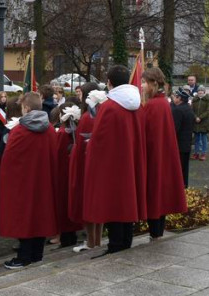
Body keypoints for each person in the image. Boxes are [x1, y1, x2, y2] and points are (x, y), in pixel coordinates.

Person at [82, 66, 146, 255]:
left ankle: (115, 245)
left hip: (112, 165)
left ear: (109, 82)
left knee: (114, 203)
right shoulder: (137, 104)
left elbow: (100, 139)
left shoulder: (109, 106)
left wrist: (89, 144)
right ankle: (126, 241)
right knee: (126, 201)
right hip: (130, 161)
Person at [0, 92, 57, 269]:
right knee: (41, 216)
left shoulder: (19, 131)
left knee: (23, 217)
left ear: (26, 108)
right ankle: (37, 255)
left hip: (23, 183)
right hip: (44, 181)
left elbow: (8, 160)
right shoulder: (48, 129)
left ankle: (23, 257)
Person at [139, 69, 187, 239]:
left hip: (154, 157)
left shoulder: (152, 105)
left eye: (144, 82)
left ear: (154, 84)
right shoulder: (163, 103)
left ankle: (155, 233)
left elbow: (144, 133)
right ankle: (157, 233)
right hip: (162, 155)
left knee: (154, 194)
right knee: (160, 195)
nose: (142, 86)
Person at [70, 84, 105, 252]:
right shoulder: (102, 114)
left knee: (89, 201)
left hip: (85, 163)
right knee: (98, 201)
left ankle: (91, 241)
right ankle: (97, 240)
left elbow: (81, 142)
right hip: (99, 164)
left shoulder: (87, 117)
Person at [53, 103, 83, 248]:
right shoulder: (75, 131)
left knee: (63, 206)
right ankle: (72, 235)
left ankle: (66, 239)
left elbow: (57, 156)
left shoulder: (62, 133)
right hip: (73, 173)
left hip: (62, 175)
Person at [170, 87, 195, 188]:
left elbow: (175, 128)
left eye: (175, 96)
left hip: (179, 143)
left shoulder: (178, 110)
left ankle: (178, 187)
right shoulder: (188, 108)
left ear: (179, 98)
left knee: (178, 168)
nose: (174, 98)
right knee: (185, 167)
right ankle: (185, 186)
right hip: (187, 142)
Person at [191, 88, 209, 161]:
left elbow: (208, 110)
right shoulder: (194, 100)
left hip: (204, 122)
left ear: (204, 92)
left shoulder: (207, 100)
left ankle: (203, 153)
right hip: (196, 122)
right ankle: (196, 153)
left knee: (203, 139)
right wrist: (195, 117)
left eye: (201, 91)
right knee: (196, 139)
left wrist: (200, 117)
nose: (200, 92)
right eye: (199, 91)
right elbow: (191, 110)